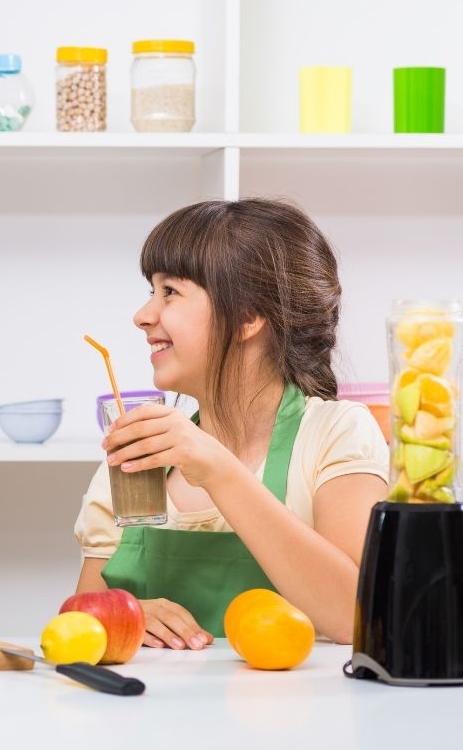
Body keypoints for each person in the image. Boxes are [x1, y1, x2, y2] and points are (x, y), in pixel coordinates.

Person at [74, 198, 388, 647]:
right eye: (151, 292)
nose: (143, 316)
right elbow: (79, 626)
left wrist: (218, 469)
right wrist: (125, 615)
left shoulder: (336, 435)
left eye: (170, 292)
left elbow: (358, 618)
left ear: (246, 316)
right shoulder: (138, 458)